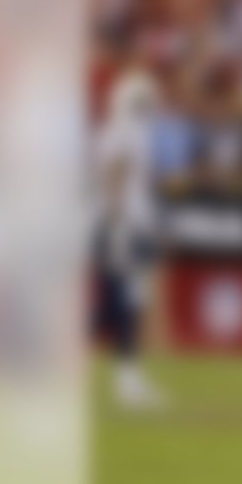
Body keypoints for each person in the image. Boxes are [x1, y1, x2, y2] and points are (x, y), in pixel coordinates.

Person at [92, 70, 167, 410]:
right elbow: (113, 178)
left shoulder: (121, 130)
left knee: (118, 305)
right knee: (123, 304)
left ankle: (128, 376)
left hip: (126, 224)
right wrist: (117, 224)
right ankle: (127, 380)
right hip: (122, 226)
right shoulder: (125, 132)